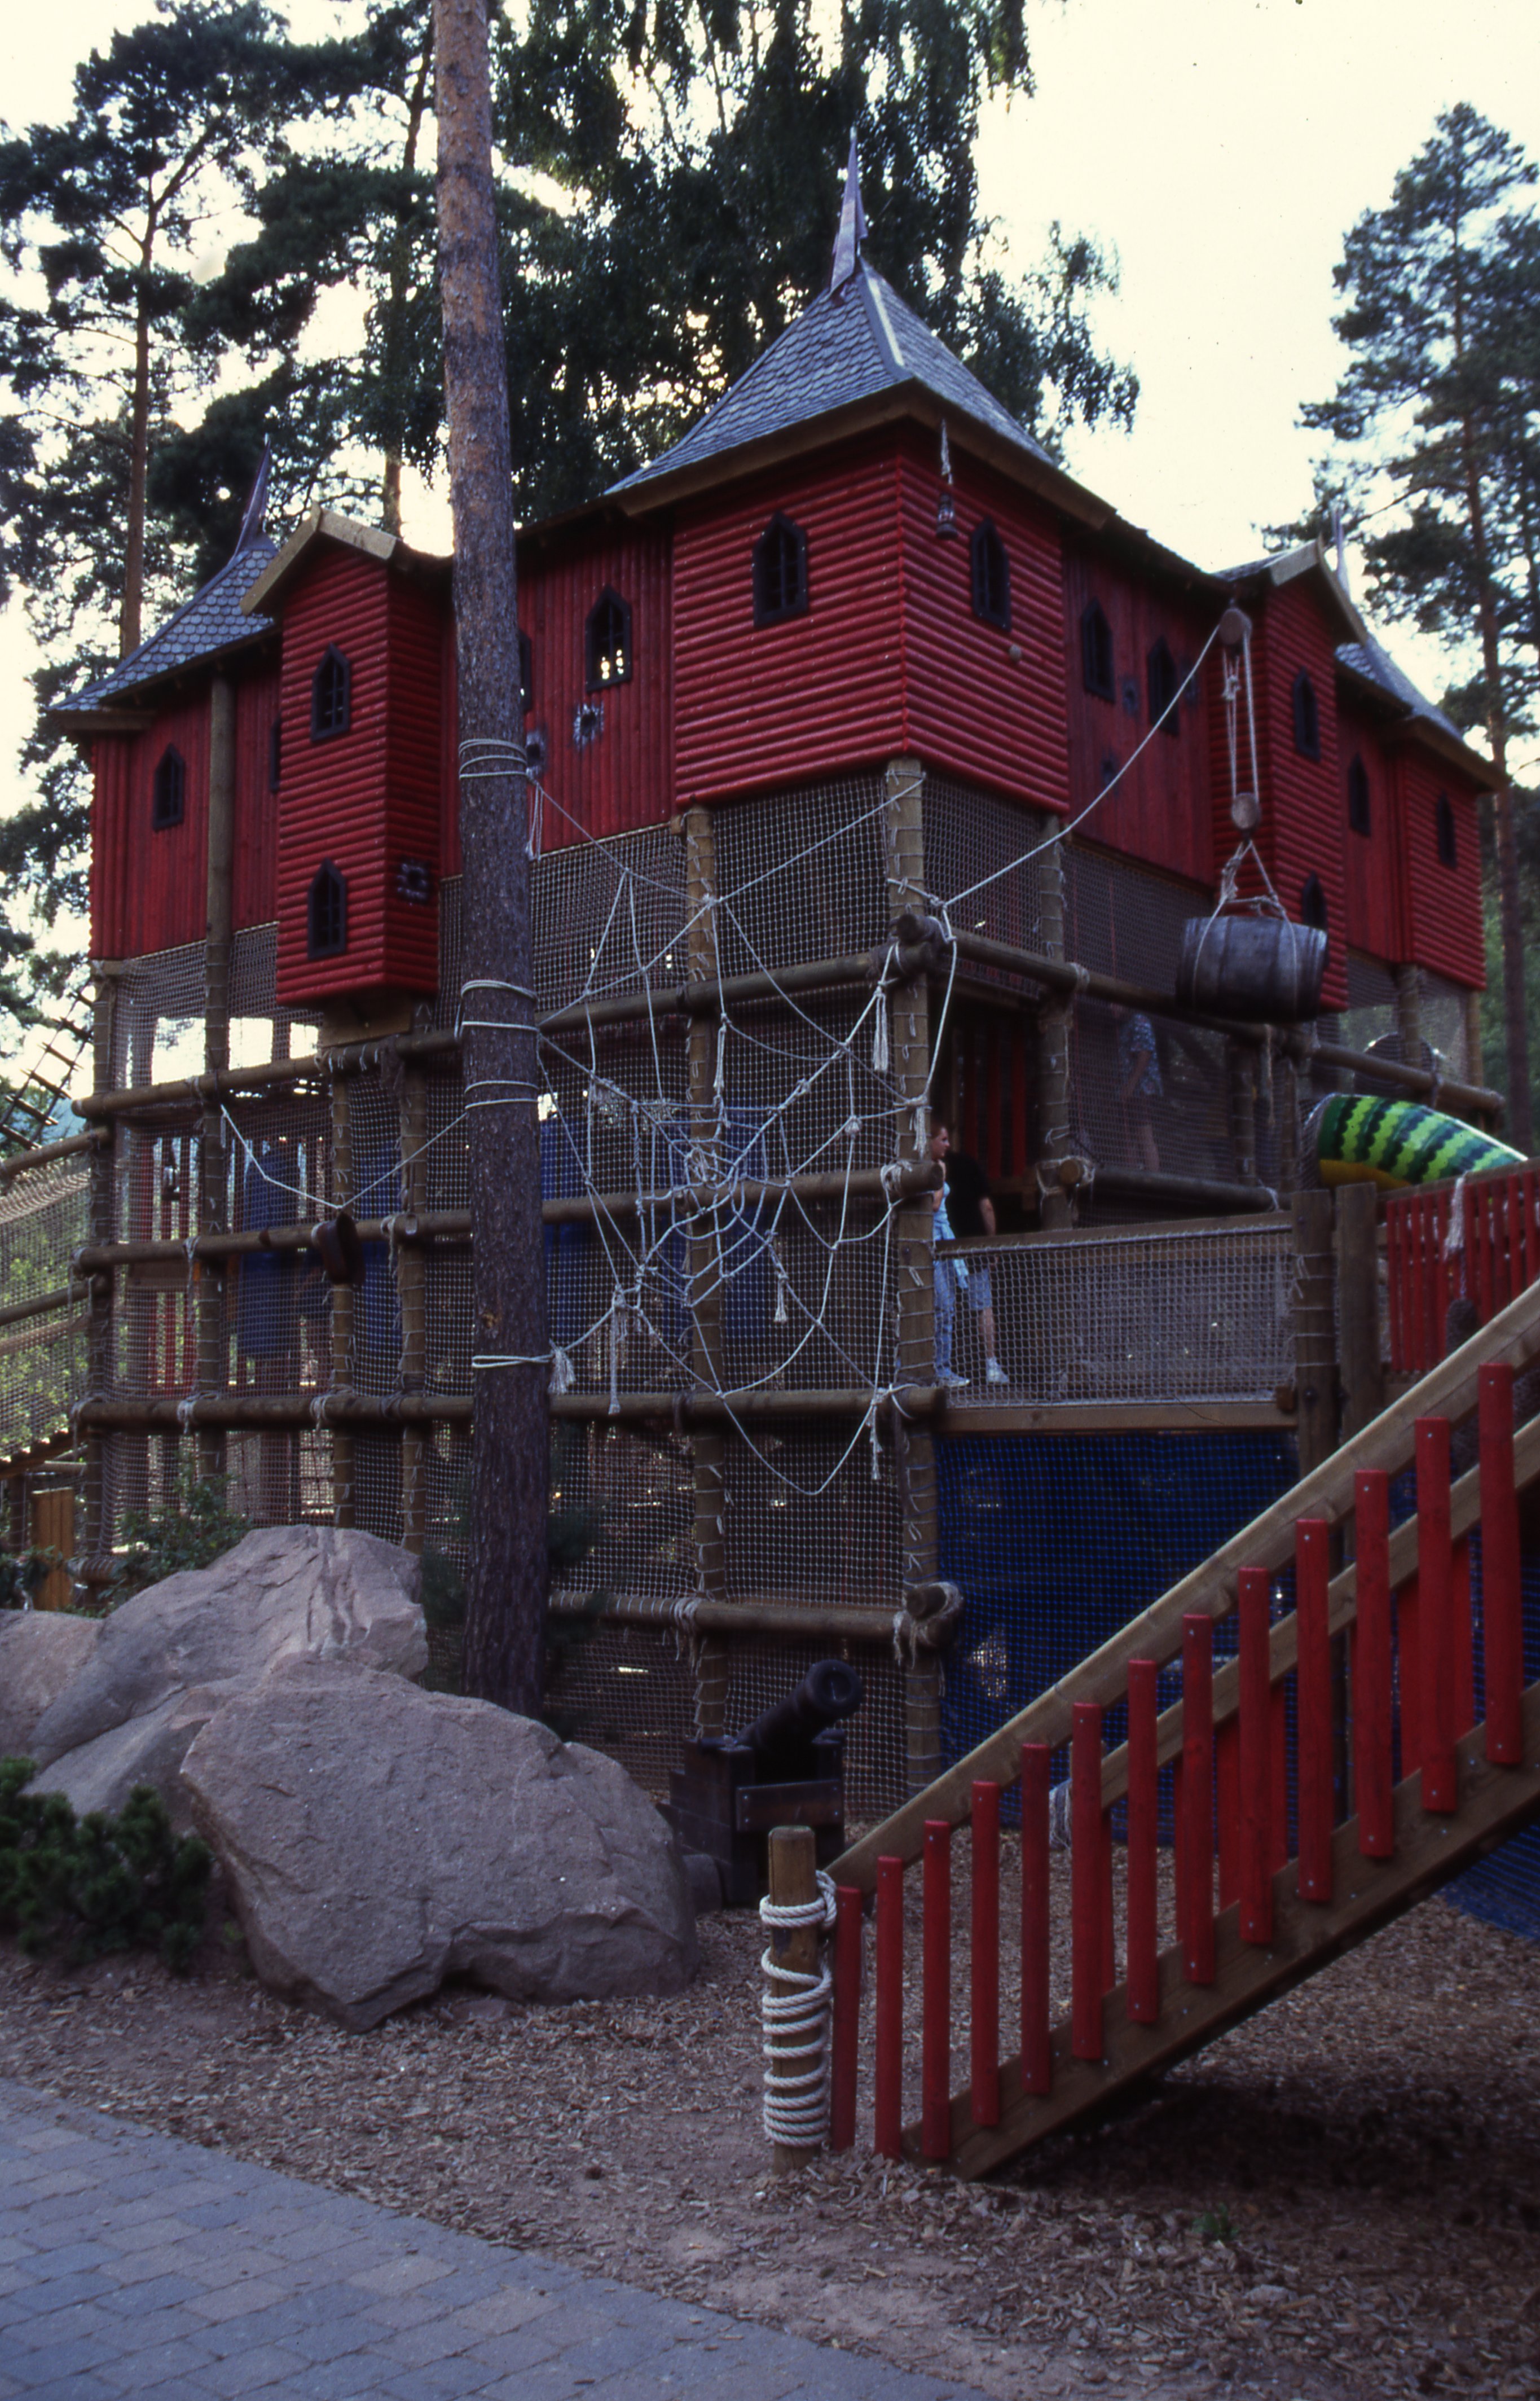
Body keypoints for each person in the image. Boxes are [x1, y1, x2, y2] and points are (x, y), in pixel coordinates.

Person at [929, 1119, 1009, 1387]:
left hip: (949, 1243)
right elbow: (986, 1207)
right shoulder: (950, 1167)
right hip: (958, 1245)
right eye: (943, 1139)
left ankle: (945, 1366)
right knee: (978, 1305)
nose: (948, 1144)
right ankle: (989, 1366)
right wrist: (991, 1244)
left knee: (946, 1307)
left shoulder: (937, 1166)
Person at [1115, 1006, 1162, 1174]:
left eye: (1115, 1003)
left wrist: (1131, 1085)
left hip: (1142, 1089)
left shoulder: (1139, 1021)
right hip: (1130, 1090)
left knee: (1145, 1134)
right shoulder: (1124, 1025)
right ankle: (1132, 1176)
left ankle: (1155, 1179)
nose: (1111, 1007)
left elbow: (1144, 1054)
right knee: (1132, 1137)